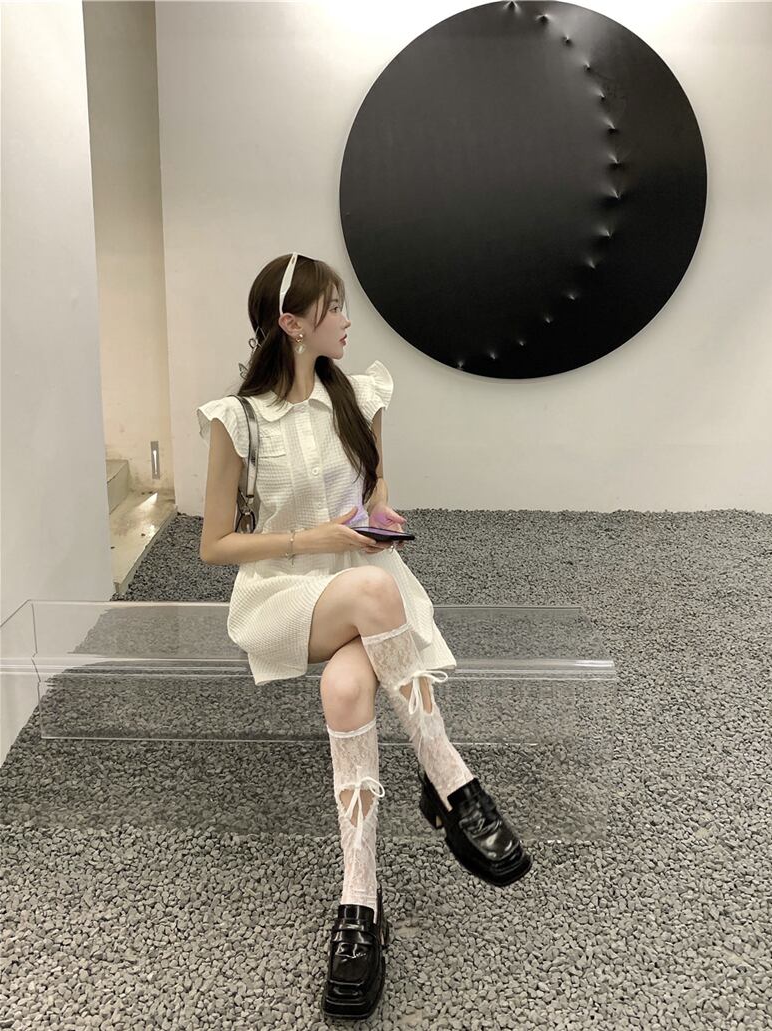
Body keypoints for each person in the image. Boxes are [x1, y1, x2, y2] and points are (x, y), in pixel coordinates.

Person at [196, 252, 532, 1020]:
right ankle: (450, 780)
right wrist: (310, 539)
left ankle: (359, 902)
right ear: (292, 323)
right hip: (285, 593)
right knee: (374, 595)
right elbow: (214, 543)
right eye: (334, 308)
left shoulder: (360, 394)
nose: (348, 321)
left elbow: (376, 489)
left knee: (346, 688)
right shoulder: (237, 420)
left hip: (362, 582)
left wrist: (379, 520)